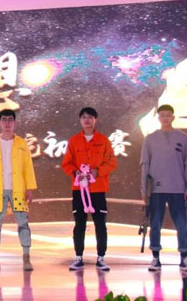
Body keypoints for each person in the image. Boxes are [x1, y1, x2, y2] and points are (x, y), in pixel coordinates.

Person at [0, 109, 37, 271]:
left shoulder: (21, 143)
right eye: (4, 119)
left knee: (23, 223)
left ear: (15, 122)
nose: (7, 123)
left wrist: (30, 188)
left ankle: (26, 257)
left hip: (18, 189)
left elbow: (28, 167)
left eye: (10, 119)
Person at [140, 104, 187, 272]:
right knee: (155, 224)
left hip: (178, 188)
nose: (165, 118)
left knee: (182, 224)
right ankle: (155, 258)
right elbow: (144, 165)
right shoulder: (150, 139)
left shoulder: (183, 138)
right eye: (162, 115)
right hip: (156, 189)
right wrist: (144, 190)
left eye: (168, 115)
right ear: (158, 118)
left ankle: (184, 258)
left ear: (173, 117)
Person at [62, 107, 117, 271]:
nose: (87, 120)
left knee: (100, 224)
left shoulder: (103, 140)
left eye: (90, 117)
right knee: (79, 224)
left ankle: (101, 258)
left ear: (95, 120)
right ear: (80, 120)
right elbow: (67, 163)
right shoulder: (74, 141)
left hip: (98, 189)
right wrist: (75, 173)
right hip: (79, 189)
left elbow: (112, 162)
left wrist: (98, 171)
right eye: (84, 117)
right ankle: (78, 258)